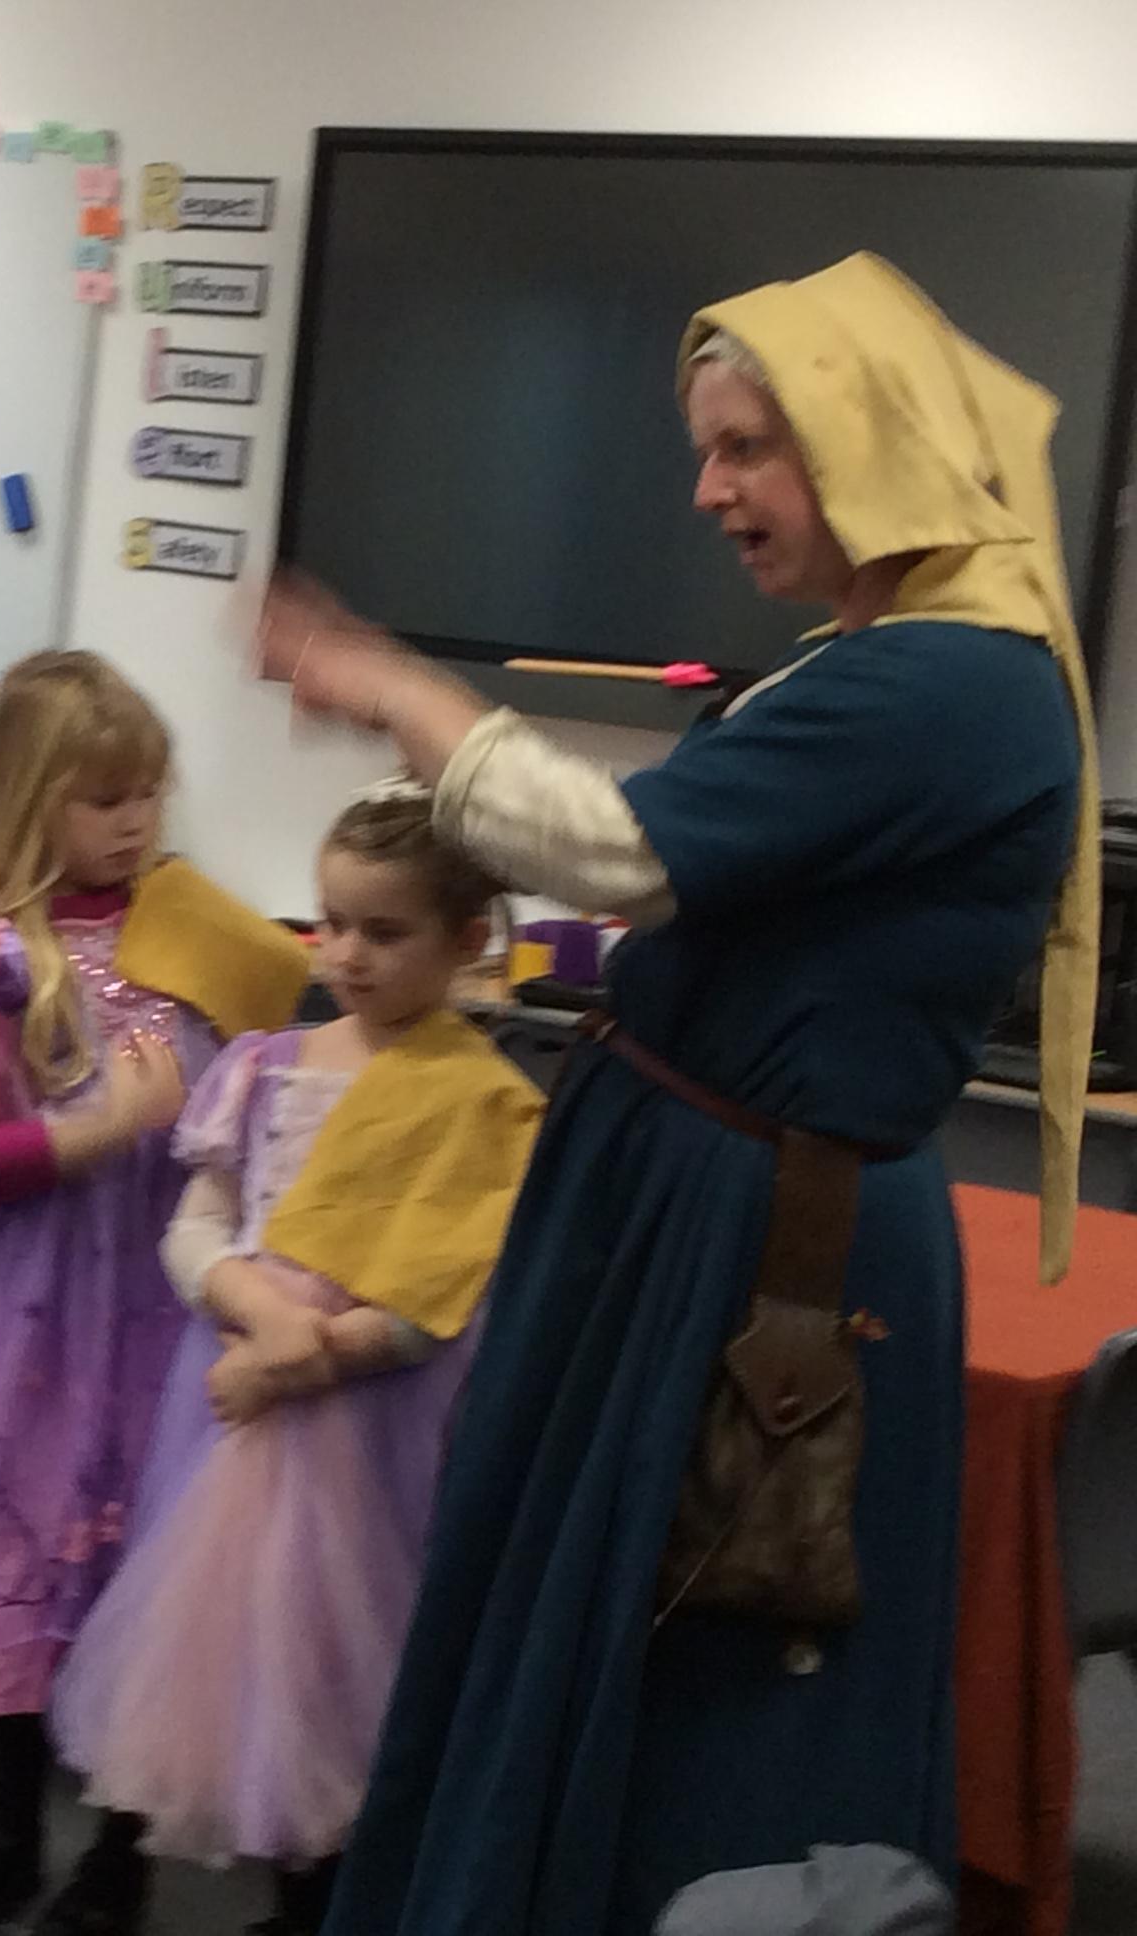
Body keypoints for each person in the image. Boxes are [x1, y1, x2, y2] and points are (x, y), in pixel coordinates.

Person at [253, 252, 1097, 1932]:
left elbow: (618, 855)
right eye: (706, 449)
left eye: (746, 449)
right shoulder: (871, 660)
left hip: (755, 1251)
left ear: (867, 441)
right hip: (685, 1208)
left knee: (705, 1673)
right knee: (596, 1624)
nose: (708, 491)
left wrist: (401, 686)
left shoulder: (953, 680)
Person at [0, 650, 312, 1935]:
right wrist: (104, 1124)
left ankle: (119, 1847)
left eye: (148, 793)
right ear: (32, 798)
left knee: (139, 1563)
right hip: (32, 1311)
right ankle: (9, 1826)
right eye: (104, 797)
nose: (134, 820)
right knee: (18, 1548)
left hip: (163, 1306)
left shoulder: (196, 931)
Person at [47, 783, 542, 1936]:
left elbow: (442, 1296)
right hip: (227, 1390)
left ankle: (313, 1897)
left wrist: (296, 1361)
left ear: (467, 940)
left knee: (332, 1651)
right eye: (333, 922)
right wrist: (258, 1314)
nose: (348, 953)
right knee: (185, 1626)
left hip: (367, 1414)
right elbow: (195, 1226)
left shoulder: (487, 1102)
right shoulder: (264, 1064)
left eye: (386, 931)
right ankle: (118, 1859)